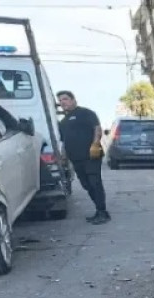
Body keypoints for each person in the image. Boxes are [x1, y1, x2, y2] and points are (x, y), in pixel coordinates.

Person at [56, 90, 109, 224]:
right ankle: (98, 210)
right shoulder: (63, 122)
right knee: (86, 185)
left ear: (73, 100)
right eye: (61, 101)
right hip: (76, 159)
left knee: (94, 183)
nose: (63, 102)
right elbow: (64, 141)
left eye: (65, 99)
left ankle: (103, 212)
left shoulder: (86, 113)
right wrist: (63, 157)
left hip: (91, 156)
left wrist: (96, 144)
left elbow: (97, 128)